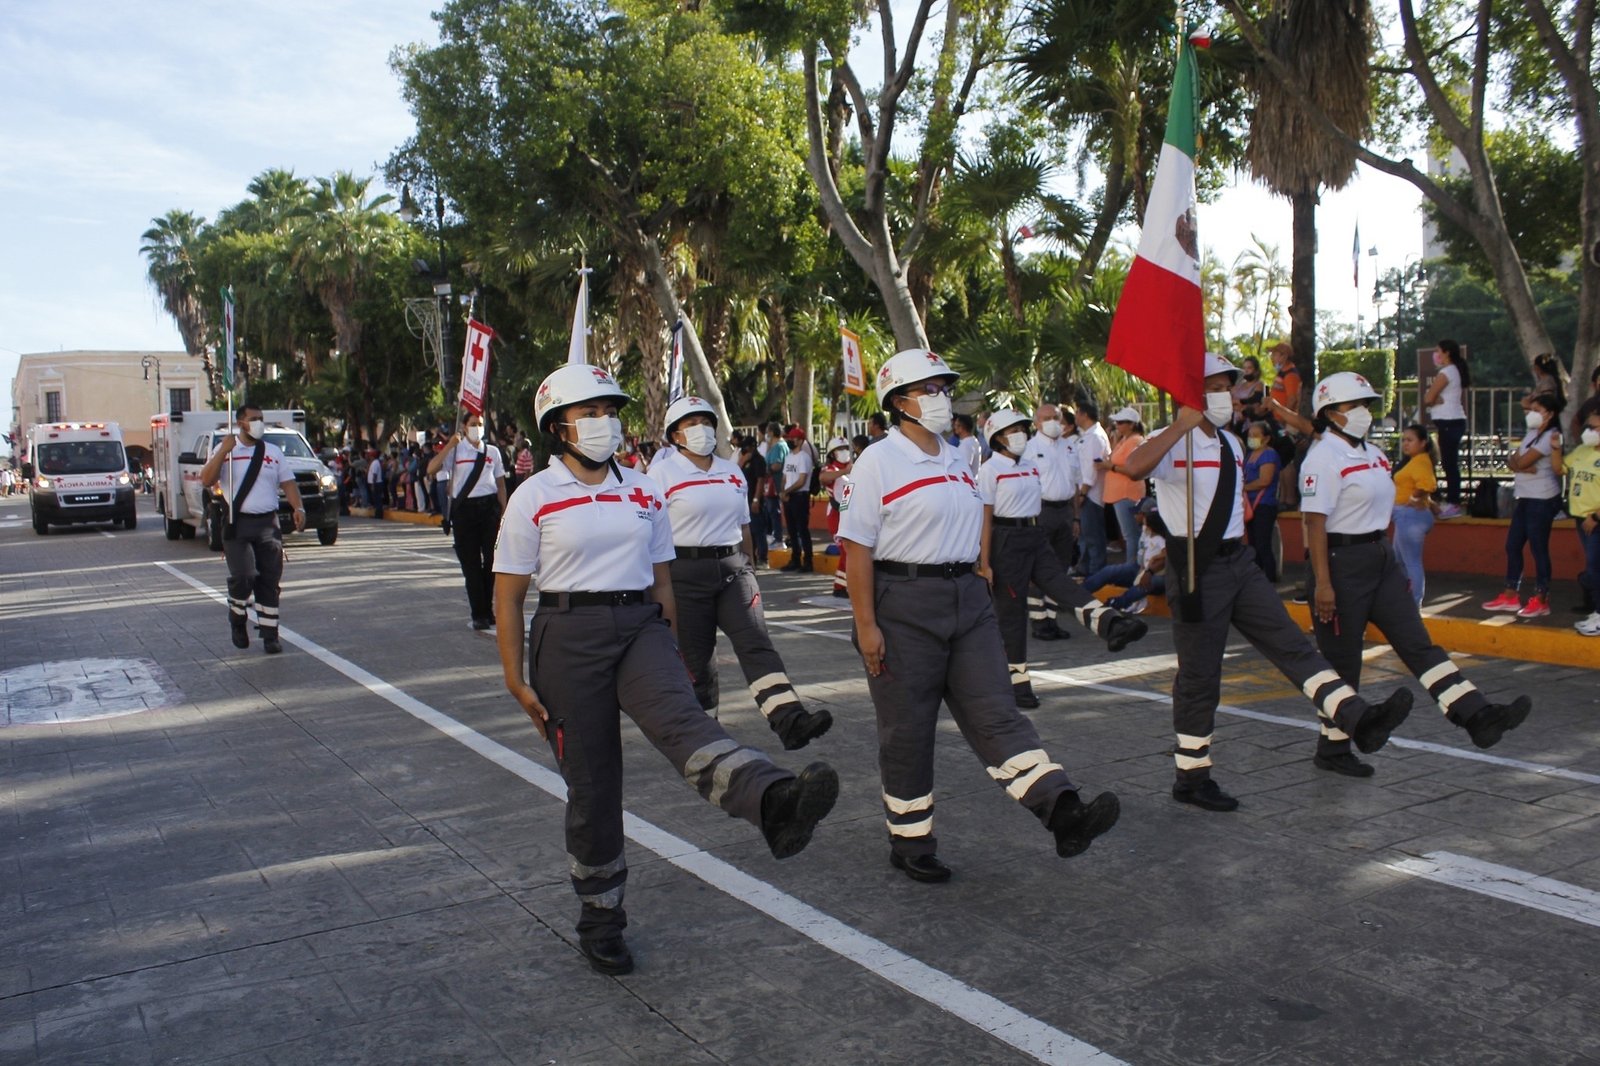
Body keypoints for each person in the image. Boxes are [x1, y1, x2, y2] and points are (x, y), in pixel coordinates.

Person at [492, 364, 838, 975]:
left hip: (641, 627)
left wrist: (671, 649)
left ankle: (774, 801)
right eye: (590, 412)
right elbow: (509, 594)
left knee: (686, 722)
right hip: (567, 637)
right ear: (557, 426)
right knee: (594, 786)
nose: (604, 423)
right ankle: (601, 917)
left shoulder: (643, 490)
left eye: (610, 411)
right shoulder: (534, 496)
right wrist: (515, 678)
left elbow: (661, 581)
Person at [838, 349, 1121, 884]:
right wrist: (867, 625)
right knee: (908, 730)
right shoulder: (877, 461)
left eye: (944, 388)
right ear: (899, 401)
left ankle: (1062, 809)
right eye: (930, 389)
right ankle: (910, 839)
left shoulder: (956, 458)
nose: (942, 398)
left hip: (967, 600)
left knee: (998, 712)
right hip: (904, 604)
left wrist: (979, 572)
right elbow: (857, 549)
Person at [1118, 353, 1415, 812]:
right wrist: (1180, 426)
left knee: (1292, 645)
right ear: (1192, 394)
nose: (1226, 396)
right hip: (1196, 567)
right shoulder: (1171, 441)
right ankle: (1191, 777)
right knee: (1200, 675)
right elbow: (1133, 468)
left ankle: (1358, 718)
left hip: (1239, 561)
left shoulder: (1233, 444)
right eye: (1215, 388)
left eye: (1228, 387)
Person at [1300, 372, 1532, 777]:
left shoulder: (1373, 453)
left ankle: (1477, 715)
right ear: (1330, 412)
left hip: (1380, 556)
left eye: (1366, 405)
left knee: (1418, 643)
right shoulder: (1322, 458)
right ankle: (1333, 750)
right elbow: (1314, 524)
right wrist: (1322, 583)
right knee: (1343, 662)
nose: (1363, 412)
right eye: (1354, 405)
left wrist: (1389, 559)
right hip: (1340, 562)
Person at [649, 397, 833, 750]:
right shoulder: (661, 474)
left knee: (756, 641)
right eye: (692, 423)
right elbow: (652, 535)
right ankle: (705, 742)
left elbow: (745, 525)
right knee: (697, 662)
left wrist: (750, 566)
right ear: (675, 434)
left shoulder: (731, 471)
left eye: (706, 422)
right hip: (684, 573)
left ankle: (790, 720)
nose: (702, 429)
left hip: (734, 569)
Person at [978, 410, 1148, 709]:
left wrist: (1073, 518)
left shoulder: (1030, 466)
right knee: (1012, 616)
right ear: (997, 438)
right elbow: (985, 517)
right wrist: (984, 562)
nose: (1019, 435)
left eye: (1021, 429)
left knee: (1063, 585)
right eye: (1012, 431)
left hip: (1035, 534)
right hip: (1006, 540)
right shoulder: (990, 470)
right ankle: (1017, 686)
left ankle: (1112, 625)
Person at [200, 403, 306, 655]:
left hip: (268, 524)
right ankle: (237, 619)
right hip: (237, 524)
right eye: (254, 419)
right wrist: (222, 451)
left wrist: (298, 508)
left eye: (261, 418)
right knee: (244, 575)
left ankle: (270, 635)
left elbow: (288, 483)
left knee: (269, 581)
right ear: (240, 423)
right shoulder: (225, 449)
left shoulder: (273, 452)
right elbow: (206, 479)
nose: (259, 423)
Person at [1482, 392, 1566, 618]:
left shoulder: (1551, 436)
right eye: (1530, 410)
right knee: (1513, 545)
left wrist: (1521, 465)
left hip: (1542, 499)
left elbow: (1523, 460)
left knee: (1538, 548)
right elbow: (1513, 461)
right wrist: (1523, 466)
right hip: (1525, 497)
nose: (1531, 414)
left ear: (1550, 414)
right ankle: (1511, 593)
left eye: (1537, 410)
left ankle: (1541, 597)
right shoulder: (1531, 433)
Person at [427, 411, 508, 630]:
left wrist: (504, 512)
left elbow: (500, 484)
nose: (477, 428)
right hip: (464, 510)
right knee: (471, 565)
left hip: (489, 508)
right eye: (473, 424)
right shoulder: (455, 451)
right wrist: (449, 446)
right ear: (464, 427)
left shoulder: (492, 452)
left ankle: (488, 610)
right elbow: (431, 469)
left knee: (491, 562)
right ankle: (478, 613)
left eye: (480, 423)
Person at [1023, 401, 1080, 639]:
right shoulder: (1029, 448)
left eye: (1056, 418)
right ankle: (1039, 622)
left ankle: (1052, 619)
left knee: (1060, 568)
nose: (1053, 423)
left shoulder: (1070, 447)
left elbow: (1076, 484)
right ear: (1037, 423)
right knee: (1039, 567)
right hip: (1041, 511)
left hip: (1064, 512)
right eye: (1047, 418)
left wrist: (1076, 517)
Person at [1084, 497, 1166, 614]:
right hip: (1140, 568)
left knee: (1147, 583)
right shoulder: (1145, 528)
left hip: (1158, 574)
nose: (1134, 516)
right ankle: (1077, 593)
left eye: (1137, 513)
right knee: (1110, 571)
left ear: (1146, 516)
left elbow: (1165, 556)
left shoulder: (1162, 534)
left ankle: (1116, 603)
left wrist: (1149, 571)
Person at [1391, 424, 1440, 606]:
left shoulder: (1420, 461)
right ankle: (1405, 599)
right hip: (1406, 515)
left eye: (1410, 440)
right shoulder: (1415, 460)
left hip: (1409, 515)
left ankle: (1413, 602)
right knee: (1399, 561)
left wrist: (1413, 498)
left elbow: (1427, 484)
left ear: (1423, 442)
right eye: (1404, 440)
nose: (1405, 444)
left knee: (1410, 562)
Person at [1424, 338, 1470, 517]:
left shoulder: (1447, 372)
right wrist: (1437, 399)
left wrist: (1434, 399)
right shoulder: (1454, 370)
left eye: (1438, 351)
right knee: (1449, 462)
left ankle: (1453, 502)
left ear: (1447, 353)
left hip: (1450, 421)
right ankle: (1451, 500)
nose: (1436, 355)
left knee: (1449, 463)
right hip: (1450, 421)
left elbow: (1428, 397)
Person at [1567, 406, 1600, 635]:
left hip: (1594, 520)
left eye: (1593, 427)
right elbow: (1561, 467)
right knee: (1593, 569)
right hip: (1583, 519)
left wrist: (1595, 517)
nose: (1588, 431)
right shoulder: (1583, 451)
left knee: (1595, 569)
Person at [1103, 407, 1146, 563]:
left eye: (1121, 423)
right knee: (1130, 534)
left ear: (1132, 425)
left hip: (1127, 493)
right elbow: (1113, 457)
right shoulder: (1125, 440)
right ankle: (1133, 565)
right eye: (1117, 422)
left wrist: (1111, 467)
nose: (1117, 425)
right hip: (1119, 494)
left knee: (1131, 534)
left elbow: (1132, 468)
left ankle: (1132, 566)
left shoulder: (1135, 441)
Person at [1073, 402, 1111, 576]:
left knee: (1094, 539)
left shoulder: (1095, 436)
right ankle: (1086, 573)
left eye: (1077, 413)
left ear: (1085, 415)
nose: (1075, 416)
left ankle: (1097, 576)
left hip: (1091, 495)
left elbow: (1092, 468)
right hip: (1086, 492)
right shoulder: (1088, 435)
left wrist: (1083, 492)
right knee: (1086, 538)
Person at [1241, 420, 1280, 581]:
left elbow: (1265, 480)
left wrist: (1243, 488)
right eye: (1250, 435)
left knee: (1262, 543)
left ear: (1266, 438)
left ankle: (1269, 577)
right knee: (1253, 543)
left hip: (1264, 504)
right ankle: (1257, 578)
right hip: (1250, 505)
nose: (1252, 438)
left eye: (1256, 435)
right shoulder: (1250, 455)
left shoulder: (1269, 454)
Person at [819, 436, 855, 598]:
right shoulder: (831, 469)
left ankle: (845, 585)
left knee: (852, 551)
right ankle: (841, 587)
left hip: (852, 515)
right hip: (836, 516)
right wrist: (845, 471)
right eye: (840, 449)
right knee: (845, 551)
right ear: (833, 453)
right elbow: (823, 478)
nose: (844, 452)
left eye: (846, 448)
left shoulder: (855, 467)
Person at [779, 427, 815, 572]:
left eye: (793, 438)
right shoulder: (789, 457)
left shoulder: (804, 457)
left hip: (800, 496)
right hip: (789, 496)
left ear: (800, 441)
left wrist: (786, 491)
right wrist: (783, 491)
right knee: (792, 530)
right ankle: (795, 559)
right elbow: (785, 477)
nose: (790, 441)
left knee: (802, 529)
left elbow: (801, 480)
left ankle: (808, 561)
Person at [738, 436, 770, 567]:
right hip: (745, 500)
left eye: (746, 447)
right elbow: (736, 473)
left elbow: (760, 481)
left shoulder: (758, 460)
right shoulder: (745, 460)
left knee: (758, 530)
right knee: (749, 531)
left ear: (752, 447)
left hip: (754, 500)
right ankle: (752, 558)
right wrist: (743, 460)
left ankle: (763, 558)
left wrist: (756, 499)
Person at [762, 423, 789, 549]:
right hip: (773, 483)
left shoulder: (779, 446)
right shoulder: (773, 446)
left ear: (772, 432)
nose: (766, 434)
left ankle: (778, 539)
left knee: (774, 511)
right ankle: (774, 536)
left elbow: (776, 465)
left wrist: (767, 470)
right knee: (771, 510)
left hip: (776, 482)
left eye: (768, 431)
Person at [1266, 342, 1302, 428]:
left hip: (1285, 423)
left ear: (1284, 356)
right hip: (1276, 419)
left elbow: (1292, 400)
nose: (1272, 357)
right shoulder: (1281, 372)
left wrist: (1283, 419)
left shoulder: (1291, 375)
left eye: (1275, 354)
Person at [366, 445, 385, 518]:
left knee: (377, 499)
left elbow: (374, 475)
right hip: (375, 483)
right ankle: (377, 513)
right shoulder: (375, 462)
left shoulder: (375, 463)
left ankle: (379, 514)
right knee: (376, 499)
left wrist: (373, 485)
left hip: (376, 483)